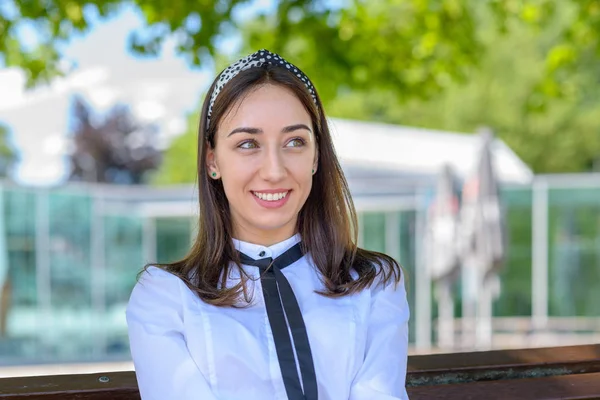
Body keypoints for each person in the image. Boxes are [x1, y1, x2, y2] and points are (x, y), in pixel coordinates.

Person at [126, 49, 410, 400]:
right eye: (248, 144)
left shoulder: (375, 284)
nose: (275, 171)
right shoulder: (166, 298)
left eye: (294, 142)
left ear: (316, 156)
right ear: (212, 160)